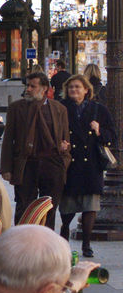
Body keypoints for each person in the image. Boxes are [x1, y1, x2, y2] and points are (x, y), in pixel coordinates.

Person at [0, 71, 71, 229]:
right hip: (27, 163)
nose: (29, 89)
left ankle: (46, 244)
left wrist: (64, 157)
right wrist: (6, 168)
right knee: (24, 206)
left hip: (52, 163)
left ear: (44, 88)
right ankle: (20, 241)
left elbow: (65, 138)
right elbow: (8, 140)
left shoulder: (59, 109)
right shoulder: (16, 108)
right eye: (27, 86)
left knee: (49, 207)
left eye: (33, 86)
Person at [58, 74, 116, 257]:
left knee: (90, 205)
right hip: (70, 163)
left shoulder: (99, 109)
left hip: (91, 163)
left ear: (86, 90)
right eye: (71, 87)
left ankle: (86, 244)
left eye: (77, 87)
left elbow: (113, 136)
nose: (74, 90)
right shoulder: (61, 108)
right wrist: (60, 143)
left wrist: (99, 131)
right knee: (67, 207)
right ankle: (63, 239)